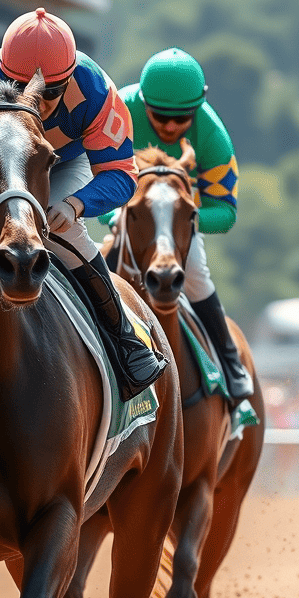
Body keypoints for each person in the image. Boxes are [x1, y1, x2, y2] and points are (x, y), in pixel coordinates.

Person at [0, 7, 167, 400]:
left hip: (65, 164)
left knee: (59, 227)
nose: (37, 102)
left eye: (49, 93)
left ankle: (125, 338)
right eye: (21, 89)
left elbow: (122, 174)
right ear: (4, 74)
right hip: (6, 161)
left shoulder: (97, 91)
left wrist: (74, 205)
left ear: (69, 78)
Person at [108, 47, 254, 400]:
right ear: (144, 105)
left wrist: (177, 218)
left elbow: (226, 212)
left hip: (179, 223)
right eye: (159, 116)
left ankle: (229, 359)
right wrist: (119, 214)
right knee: (95, 263)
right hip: (130, 214)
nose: (171, 126)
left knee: (197, 274)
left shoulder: (213, 135)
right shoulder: (120, 113)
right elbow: (93, 174)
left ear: (198, 109)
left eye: (182, 118)